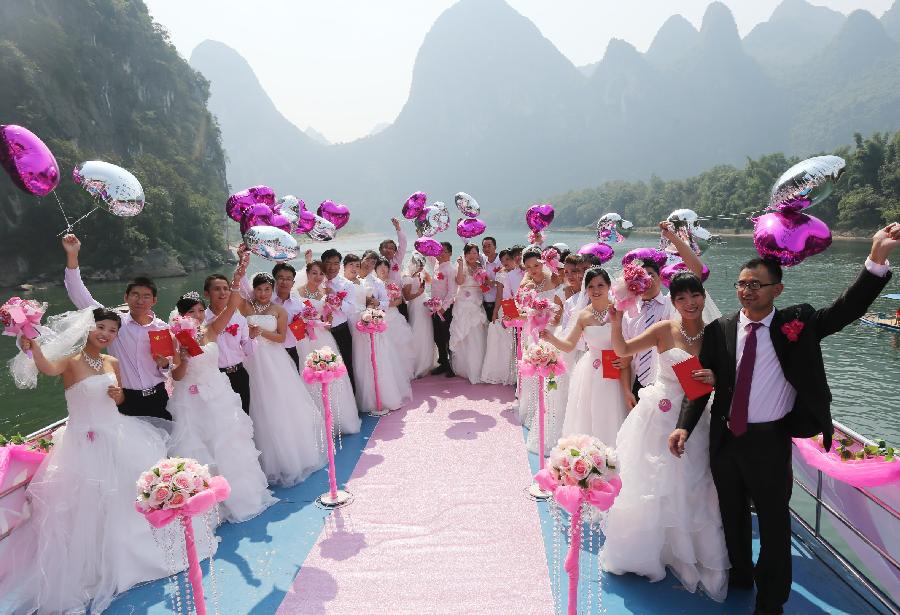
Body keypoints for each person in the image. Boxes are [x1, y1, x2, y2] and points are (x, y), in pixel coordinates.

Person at [669, 222, 899, 615]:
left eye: (756, 284)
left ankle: (771, 601)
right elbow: (699, 384)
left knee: (775, 526)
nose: (747, 290)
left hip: (769, 443)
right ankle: (740, 573)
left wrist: (876, 258)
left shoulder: (798, 323)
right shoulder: (718, 328)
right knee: (732, 515)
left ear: (778, 289)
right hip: (724, 440)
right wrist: (684, 425)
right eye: (742, 283)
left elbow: (845, 310)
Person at [0, 308, 173, 614]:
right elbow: (46, 368)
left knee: (122, 500)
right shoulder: (71, 360)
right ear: (87, 329)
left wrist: (119, 394)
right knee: (88, 506)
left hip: (117, 436)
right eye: (100, 327)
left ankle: (127, 560)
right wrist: (34, 345)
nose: (105, 334)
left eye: (112, 330)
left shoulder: (112, 362)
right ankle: (94, 567)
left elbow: (118, 400)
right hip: (83, 443)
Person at [599, 272, 729, 601]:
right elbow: (624, 349)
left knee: (694, 480)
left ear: (703, 297)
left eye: (695, 296)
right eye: (681, 298)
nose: (689, 303)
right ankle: (653, 548)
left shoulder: (717, 332)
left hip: (695, 417)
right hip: (659, 413)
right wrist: (615, 323)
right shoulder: (664, 330)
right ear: (673, 303)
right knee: (652, 481)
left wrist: (715, 376)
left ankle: (687, 549)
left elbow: (730, 371)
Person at [167, 289, 277, 522]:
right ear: (180, 315)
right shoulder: (175, 339)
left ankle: (238, 496)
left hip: (217, 392)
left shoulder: (210, 329)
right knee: (198, 445)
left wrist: (239, 276)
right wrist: (184, 357)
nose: (197, 316)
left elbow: (230, 307)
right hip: (191, 398)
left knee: (228, 443)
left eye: (199, 311)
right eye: (191, 312)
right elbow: (176, 376)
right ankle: (207, 508)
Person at [62, 234, 174, 421]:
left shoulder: (162, 328)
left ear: (154, 301)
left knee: (167, 446)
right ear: (126, 297)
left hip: (158, 396)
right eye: (135, 294)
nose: (140, 300)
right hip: (126, 398)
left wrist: (165, 364)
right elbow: (79, 295)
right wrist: (72, 255)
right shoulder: (115, 323)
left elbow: (169, 368)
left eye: (146, 296)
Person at [237, 271, 326, 486]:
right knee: (255, 402)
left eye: (267, 289)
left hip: (273, 358)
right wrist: (242, 266)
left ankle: (288, 456)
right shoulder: (246, 306)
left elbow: (280, 337)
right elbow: (238, 288)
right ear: (254, 290)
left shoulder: (279, 310)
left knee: (277, 401)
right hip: (251, 358)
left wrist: (260, 332)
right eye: (259, 289)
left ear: (272, 289)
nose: (263, 293)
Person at [540, 267, 628, 447]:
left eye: (600, 285)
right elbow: (570, 345)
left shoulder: (619, 310)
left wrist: (629, 358)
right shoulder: (583, 315)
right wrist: (552, 339)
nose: (596, 290)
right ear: (585, 289)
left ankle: (613, 452)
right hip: (591, 369)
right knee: (589, 413)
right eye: (591, 286)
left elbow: (631, 339)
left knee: (611, 411)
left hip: (617, 367)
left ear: (609, 286)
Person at [623, 222, 705, 404]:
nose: (646, 279)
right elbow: (626, 356)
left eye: (651, 274)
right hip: (642, 386)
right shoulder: (628, 313)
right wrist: (627, 390)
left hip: (678, 380)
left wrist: (673, 237)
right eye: (640, 275)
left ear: (660, 277)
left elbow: (697, 271)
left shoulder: (674, 302)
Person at [295, 261, 362, 434]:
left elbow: (328, 321)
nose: (318, 277)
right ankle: (314, 424)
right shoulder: (298, 293)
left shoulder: (326, 293)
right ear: (307, 273)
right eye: (314, 273)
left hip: (324, 338)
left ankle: (337, 419)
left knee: (331, 376)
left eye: (321, 274)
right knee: (307, 374)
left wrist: (326, 317)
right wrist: (306, 320)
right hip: (305, 339)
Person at [517, 246, 564, 433]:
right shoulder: (526, 286)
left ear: (543, 263)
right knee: (533, 371)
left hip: (551, 329)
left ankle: (550, 412)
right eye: (528, 267)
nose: (533, 269)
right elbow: (522, 312)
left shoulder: (553, 279)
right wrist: (531, 313)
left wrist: (547, 317)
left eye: (536, 265)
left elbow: (561, 308)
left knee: (551, 371)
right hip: (532, 331)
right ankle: (533, 412)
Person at [239, 252, 305, 371]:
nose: (284, 282)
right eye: (281, 278)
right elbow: (243, 288)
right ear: (275, 280)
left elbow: (302, 328)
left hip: (290, 349)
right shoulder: (264, 295)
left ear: (293, 282)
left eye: (288, 279)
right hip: (262, 353)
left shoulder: (297, 303)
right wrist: (242, 264)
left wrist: (305, 324)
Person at [203, 273, 258, 414]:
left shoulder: (239, 319)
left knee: (244, 415)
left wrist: (251, 338)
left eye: (226, 288)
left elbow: (248, 351)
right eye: (217, 289)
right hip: (216, 377)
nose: (222, 293)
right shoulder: (201, 321)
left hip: (239, 374)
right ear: (206, 294)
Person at [449, 243, 488, 384]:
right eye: (470, 252)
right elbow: (459, 281)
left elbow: (485, 286)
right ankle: (465, 367)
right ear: (465, 254)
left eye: (475, 252)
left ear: (478, 254)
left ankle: (479, 365)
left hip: (477, 300)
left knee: (478, 332)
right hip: (464, 301)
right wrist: (460, 267)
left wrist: (483, 281)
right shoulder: (462, 266)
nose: (472, 255)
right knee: (465, 333)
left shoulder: (480, 267)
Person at [375, 256, 417, 382]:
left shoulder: (392, 283)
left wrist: (388, 304)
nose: (383, 269)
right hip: (379, 317)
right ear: (375, 269)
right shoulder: (373, 284)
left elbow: (399, 300)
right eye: (380, 267)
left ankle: (403, 372)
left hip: (393, 315)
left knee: (400, 344)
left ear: (388, 269)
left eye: (385, 267)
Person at [322, 248, 357, 391]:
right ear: (323, 263)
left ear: (340, 265)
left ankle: (352, 401)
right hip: (321, 333)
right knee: (324, 368)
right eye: (328, 263)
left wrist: (336, 298)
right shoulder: (316, 280)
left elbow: (351, 309)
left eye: (336, 263)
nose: (331, 267)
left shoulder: (346, 285)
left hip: (340, 330)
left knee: (346, 365)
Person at [481, 249, 517, 386]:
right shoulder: (501, 275)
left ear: (514, 259)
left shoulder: (521, 273)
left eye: (508, 259)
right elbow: (499, 295)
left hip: (519, 307)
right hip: (506, 308)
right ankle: (505, 373)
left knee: (516, 341)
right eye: (502, 261)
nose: (505, 263)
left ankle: (516, 372)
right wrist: (496, 311)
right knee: (505, 341)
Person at [402, 255, 437, 378]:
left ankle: (428, 362)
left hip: (424, 306)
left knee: (427, 332)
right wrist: (419, 293)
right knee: (417, 332)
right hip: (415, 306)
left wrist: (424, 271)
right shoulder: (407, 278)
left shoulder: (420, 274)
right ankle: (417, 364)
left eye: (422, 263)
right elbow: (406, 297)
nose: (420, 266)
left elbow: (430, 281)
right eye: (418, 263)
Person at [430, 241, 458, 377]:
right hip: (434, 309)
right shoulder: (436, 265)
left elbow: (452, 292)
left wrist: (444, 308)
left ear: (450, 253)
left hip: (445, 310)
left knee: (447, 337)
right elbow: (429, 254)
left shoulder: (451, 269)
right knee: (438, 337)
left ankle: (451, 366)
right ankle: (443, 362)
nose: (440, 254)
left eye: (444, 251)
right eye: (439, 251)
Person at [380, 217, 408, 319]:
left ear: (395, 252)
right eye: (386, 247)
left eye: (392, 248)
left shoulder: (397, 260)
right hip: (383, 302)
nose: (389, 250)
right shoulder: (376, 263)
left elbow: (403, 244)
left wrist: (398, 228)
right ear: (381, 250)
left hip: (398, 299)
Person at [481, 236, 501, 321]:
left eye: (489, 246)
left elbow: (507, 282)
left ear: (495, 247)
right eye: (484, 246)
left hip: (501, 302)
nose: (486, 249)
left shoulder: (502, 261)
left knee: (505, 330)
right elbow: (470, 250)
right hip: (486, 301)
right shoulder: (483, 259)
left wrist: (492, 283)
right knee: (489, 329)